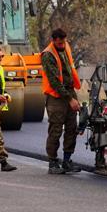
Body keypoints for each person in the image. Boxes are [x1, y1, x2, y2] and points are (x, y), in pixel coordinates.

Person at [42, 28, 82, 174]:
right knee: (56, 130)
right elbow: (54, 82)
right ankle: (53, 163)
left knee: (72, 128)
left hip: (69, 92)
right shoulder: (48, 55)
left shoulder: (66, 47)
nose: (62, 45)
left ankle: (67, 161)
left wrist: (73, 96)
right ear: (53, 40)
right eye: (59, 43)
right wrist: (70, 99)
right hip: (56, 97)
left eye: (64, 42)